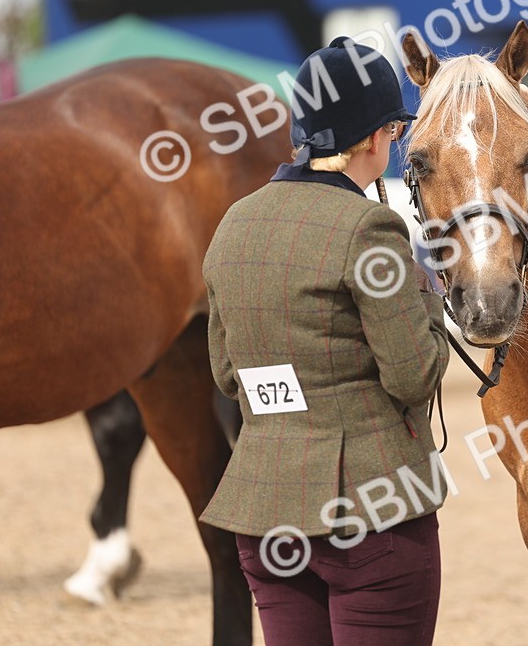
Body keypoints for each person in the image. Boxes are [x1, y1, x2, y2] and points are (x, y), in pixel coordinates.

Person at [199, 38, 450, 645]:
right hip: (371, 514)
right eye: (393, 131)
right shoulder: (370, 226)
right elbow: (413, 375)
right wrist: (429, 297)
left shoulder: (235, 221)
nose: (393, 145)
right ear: (370, 137)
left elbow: (229, 373)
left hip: (264, 515)